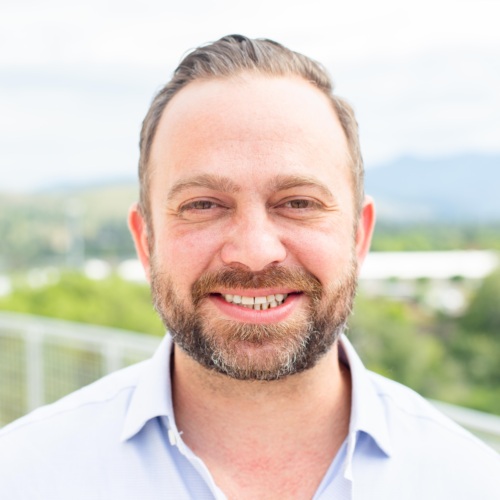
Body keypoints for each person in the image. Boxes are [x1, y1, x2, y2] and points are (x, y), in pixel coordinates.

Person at [0, 34, 498, 499]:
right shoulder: (25, 475)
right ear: (145, 241)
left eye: (297, 202)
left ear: (359, 235)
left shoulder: (470, 482)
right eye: (203, 205)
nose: (256, 251)